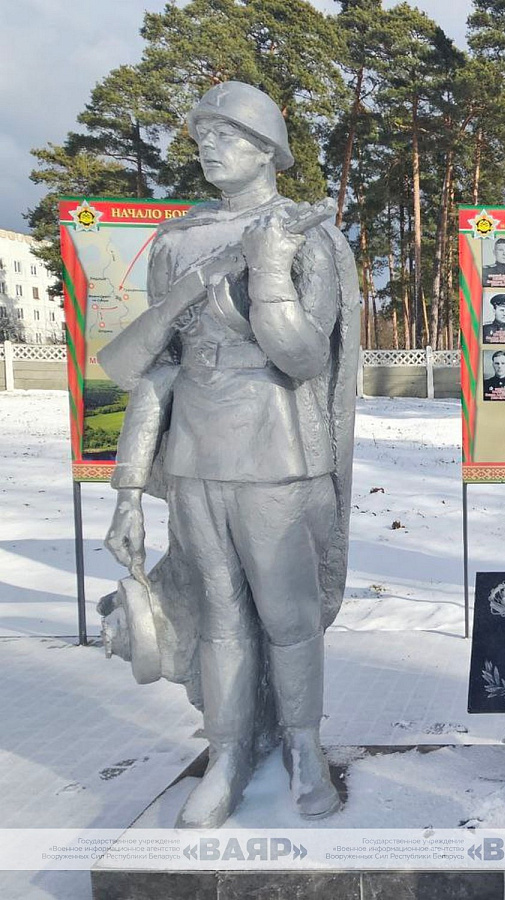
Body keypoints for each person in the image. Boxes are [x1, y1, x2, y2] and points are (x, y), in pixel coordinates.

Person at [97, 82, 359, 829]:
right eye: (202, 135)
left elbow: (304, 357)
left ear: (267, 148)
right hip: (194, 457)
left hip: (279, 452)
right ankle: (227, 752)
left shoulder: (308, 235)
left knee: (288, 615)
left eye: (226, 134)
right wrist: (126, 491)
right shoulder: (176, 242)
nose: (209, 146)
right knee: (219, 613)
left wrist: (269, 269)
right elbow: (156, 372)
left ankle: (303, 745)